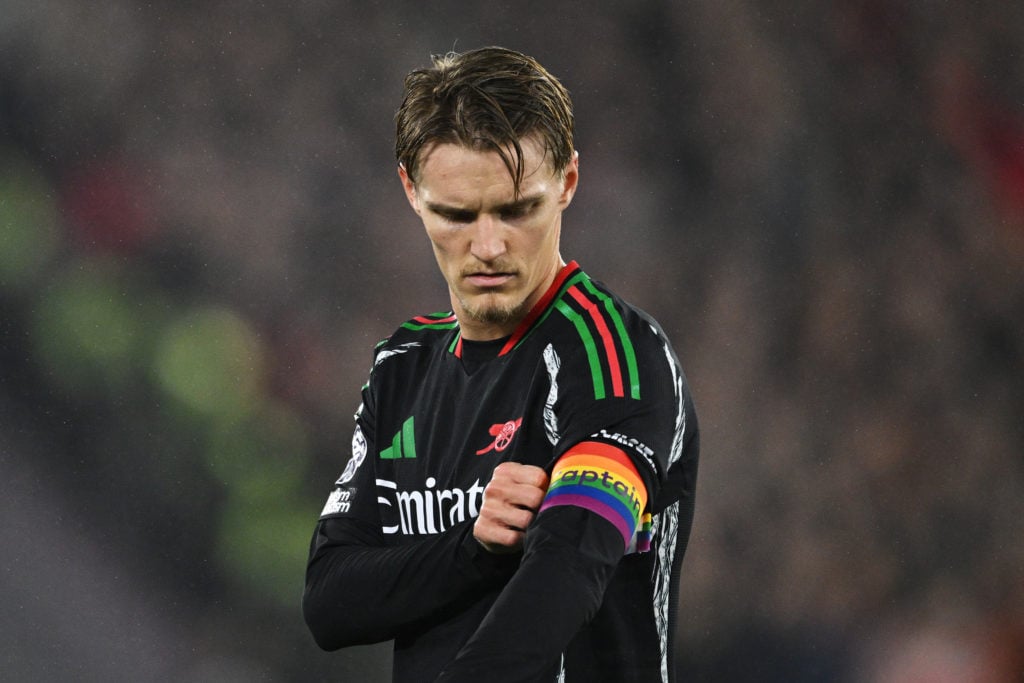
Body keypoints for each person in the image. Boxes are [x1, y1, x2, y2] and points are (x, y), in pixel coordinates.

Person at [303, 46, 699, 683]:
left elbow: (572, 561)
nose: (487, 247)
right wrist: (474, 549)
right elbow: (331, 603)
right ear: (411, 191)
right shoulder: (401, 367)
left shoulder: (611, 354)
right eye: (456, 215)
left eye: (517, 210)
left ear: (568, 183)